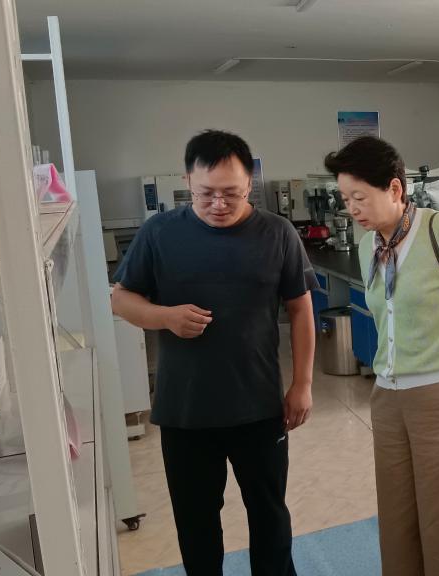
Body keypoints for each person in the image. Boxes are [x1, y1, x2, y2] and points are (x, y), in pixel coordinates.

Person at [112, 129, 315, 576]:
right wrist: (165, 316)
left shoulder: (277, 233)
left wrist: (302, 384)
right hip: (185, 411)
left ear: (249, 184)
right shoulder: (159, 233)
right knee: (196, 523)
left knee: (270, 515)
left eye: (232, 193)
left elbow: (301, 308)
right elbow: (121, 299)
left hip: (259, 406)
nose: (219, 204)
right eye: (206, 193)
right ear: (188, 181)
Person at [324, 136, 439, 576]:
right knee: (399, 513)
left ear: (394, 188)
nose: (352, 209)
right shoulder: (370, 246)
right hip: (388, 398)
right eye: (346, 199)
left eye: (359, 198)